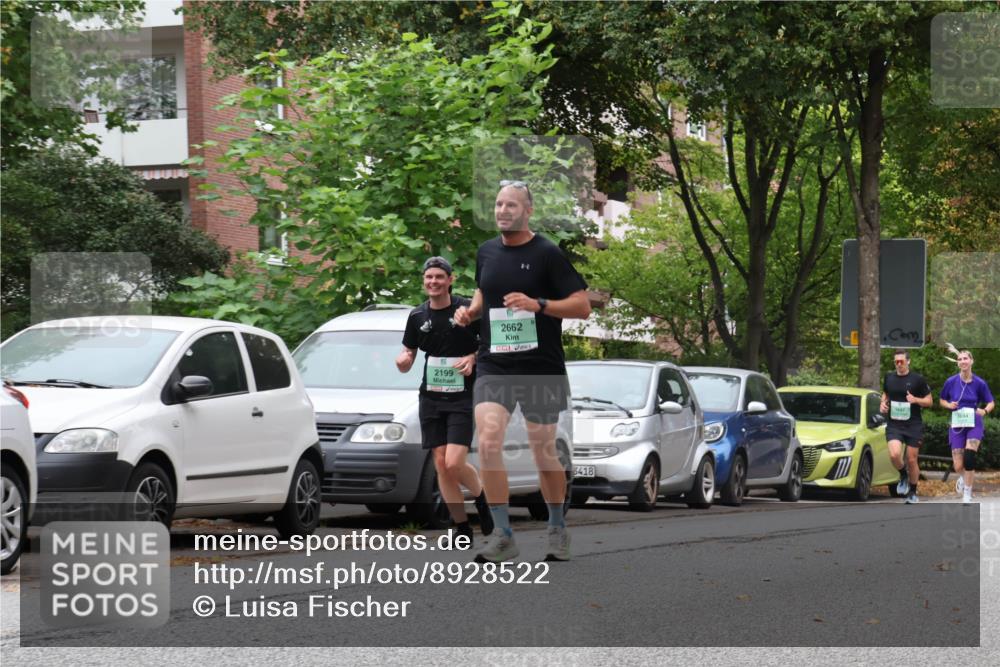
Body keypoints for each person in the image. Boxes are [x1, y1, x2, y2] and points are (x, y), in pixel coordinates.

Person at [454, 180, 592, 563]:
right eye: (498, 204)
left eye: (511, 205)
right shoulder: (486, 252)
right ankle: (502, 533)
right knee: (490, 442)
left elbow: (582, 307)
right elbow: (485, 293)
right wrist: (470, 311)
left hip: (540, 367)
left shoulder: (547, 253)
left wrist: (539, 303)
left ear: (528, 210)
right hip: (495, 363)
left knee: (543, 452)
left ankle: (556, 528)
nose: (502, 211)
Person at [396, 256, 493, 545]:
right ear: (424, 281)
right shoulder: (417, 316)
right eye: (429, 277)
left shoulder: (466, 310)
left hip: (463, 397)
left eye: (439, 277)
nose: (433, 282)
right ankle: (461, 527)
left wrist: (473, 357)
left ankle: (482, 499)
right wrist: (404, 360)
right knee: (440, 464)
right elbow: (409, 352)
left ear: (450, 280)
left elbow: (490, 344)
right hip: (431, 398)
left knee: (453, 462)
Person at [939, 350, 995, 505]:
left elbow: (991, 402)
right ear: (957, 363)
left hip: (974, 422)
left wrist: (984, 411)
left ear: (971, 361)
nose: (962, 361)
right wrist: (949, 404)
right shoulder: (950, 382)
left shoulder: (979, 383)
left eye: (965, 358)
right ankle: (964, 478)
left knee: (969, 458)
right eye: (959, 359)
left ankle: (967, 494)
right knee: (958, 465)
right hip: (957, 424)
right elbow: (942, 400)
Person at [880, 349, 933, 504]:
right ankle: (903, 474)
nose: (899, 364)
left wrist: (916, 400)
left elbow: (929, 401)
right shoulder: (889, 377)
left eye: (901, 361)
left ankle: (912, 492)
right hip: (894, 424)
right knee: (894, 455)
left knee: (911, 459)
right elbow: (885, 394)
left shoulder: (918, 379)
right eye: (896, 361)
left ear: (908, 361)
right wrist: (882, 404)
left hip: (913, 425)